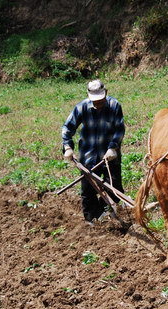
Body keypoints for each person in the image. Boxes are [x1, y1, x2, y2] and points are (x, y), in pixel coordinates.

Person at [62, 79, 125, 225]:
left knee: (114, 186)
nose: (98, 103)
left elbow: (119, 129)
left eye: (101, 100)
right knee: (88, 190)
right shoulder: (81, 108)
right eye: (95, 101)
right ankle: (93, 219)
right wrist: (68, 147)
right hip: (88, 155)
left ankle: (110, 215)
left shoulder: (114, 106)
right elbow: (67, 128)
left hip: (110, 155)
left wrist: (113, 147)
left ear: (106, 93)